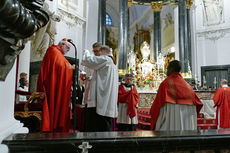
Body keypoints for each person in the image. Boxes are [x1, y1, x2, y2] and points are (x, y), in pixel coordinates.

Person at [150, 60, 203, 131]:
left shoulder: (165, 84)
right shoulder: (188, 86)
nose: (166, 71)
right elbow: (196, 107)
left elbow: (157, 108)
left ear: (171, 69)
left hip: (171, 126)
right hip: (187, 128)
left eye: (167, 69)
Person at [37, 38, 74, 132]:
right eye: (67, 48)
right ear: (62, 44)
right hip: (51, 86)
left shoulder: (57, 52)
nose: (68, 50)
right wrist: (70, 67)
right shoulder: (53, 51)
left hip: (54, 85)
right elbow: (61, 65)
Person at [82, 45, 118, 132]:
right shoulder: (112, 61)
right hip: (107, 96)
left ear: (103, 52)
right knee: (105, 121)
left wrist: (86, 52)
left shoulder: (106, 59)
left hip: (102, 97)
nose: (97, 55)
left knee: (99, 122)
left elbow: (88, 60)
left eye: (98, 52)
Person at [82, 42, 102, 132]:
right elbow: (84, 71)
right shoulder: (91, 59)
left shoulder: (103, 61)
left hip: (97, 92)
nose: (95, 53)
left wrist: (90, 77)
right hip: (88, 89)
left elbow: (102, 78)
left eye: (97, 51)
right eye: (94, 51)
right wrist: (82, 76)